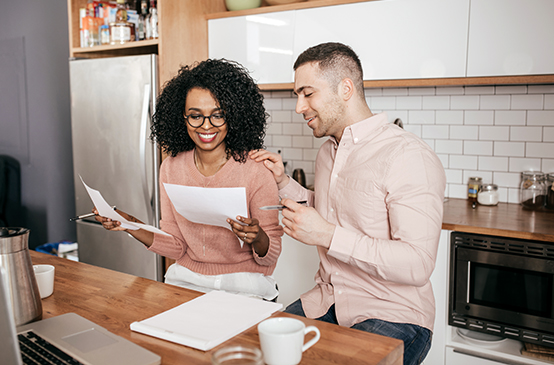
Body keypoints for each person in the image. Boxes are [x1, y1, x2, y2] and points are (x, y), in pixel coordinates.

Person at [250, 42, 446, 364]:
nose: (299, 107)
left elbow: (417, 263)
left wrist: (326, 234)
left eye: (307, 93)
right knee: (260, 351)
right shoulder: (328, 152)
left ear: (345, 88)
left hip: (392, 313)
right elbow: (333, 210)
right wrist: (282, 183)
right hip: (326, 301)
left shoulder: (408, 156)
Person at [95, 59, 283, 301]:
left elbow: (270, 255)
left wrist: (257, 237)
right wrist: (130, 224)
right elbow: (176, 246)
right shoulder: (171, 168)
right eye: (195, 116)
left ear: (234, 116)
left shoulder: (256, 171)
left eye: (218, 116)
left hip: (245, 286)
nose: (206, 126)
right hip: (187, 282)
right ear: (182, 117)